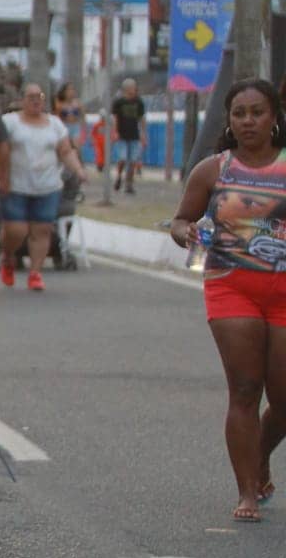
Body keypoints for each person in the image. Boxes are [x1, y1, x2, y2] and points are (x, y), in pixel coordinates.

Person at [170, 78, 286, 523]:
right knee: (244, 387)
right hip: (231, 286)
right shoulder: (213, 170)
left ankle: (259, 456)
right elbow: (182, 221)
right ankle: (247, 491)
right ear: (229, 120)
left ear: (274, 117)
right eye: (240, 113)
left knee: (284, 395)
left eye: (257, 112)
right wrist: (188, 234)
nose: (248, 121)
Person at [0, 83, 87, 292]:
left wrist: (79, 170)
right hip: (15, 186)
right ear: (22, 100)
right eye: (31, 97)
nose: (36, 100)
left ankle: (35, 273)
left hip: (48, 186)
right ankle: (8, 257)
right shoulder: (10, 122)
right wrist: (1, 177)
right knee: (16, 230)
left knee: (42, 229)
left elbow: (65, 151)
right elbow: (0, 151)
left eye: (39, 97)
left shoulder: (55, 124)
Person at [109, 77, 147, 196]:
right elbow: (115, 118)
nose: (134, 90)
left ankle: (129, 183)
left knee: (133, 161)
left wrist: (143, 134)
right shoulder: (119, 102)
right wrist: (115, 132)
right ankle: (119, 176)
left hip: (134, 134)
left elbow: (142, 118)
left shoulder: (139, 102)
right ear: (126, 89)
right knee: (122, 158)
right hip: (122, 135)